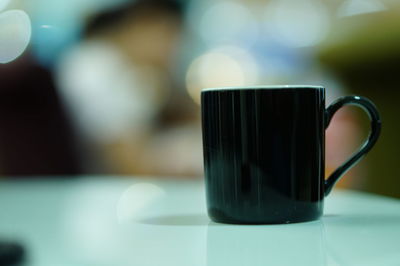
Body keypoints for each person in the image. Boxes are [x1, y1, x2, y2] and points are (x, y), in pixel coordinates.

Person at [56, 0, 203, 176]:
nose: (173, 52)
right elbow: (131, 166)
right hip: (99, 192)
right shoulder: (99, 69)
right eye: (172, 37)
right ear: (145, 23)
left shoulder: (98, 60)